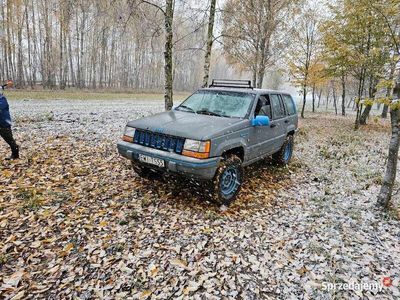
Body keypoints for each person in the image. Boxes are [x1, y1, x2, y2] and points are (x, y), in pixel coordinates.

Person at [0, 81, 19, 160]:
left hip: (4, 123)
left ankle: (15, 154)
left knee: (9, 140)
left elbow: (1, 108)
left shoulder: (2, 99)